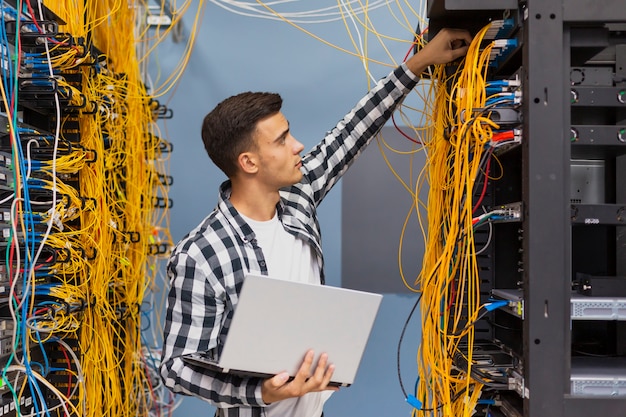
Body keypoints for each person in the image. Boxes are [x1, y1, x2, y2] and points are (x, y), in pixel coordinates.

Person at [160, 28, 472, 417]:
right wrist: (261, 393)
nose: (298, 146)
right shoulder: (201, 254)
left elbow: (349, 133)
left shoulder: (296, 199)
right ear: (249, 163)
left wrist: (418, 64)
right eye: (282, 139)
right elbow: (175, 368)